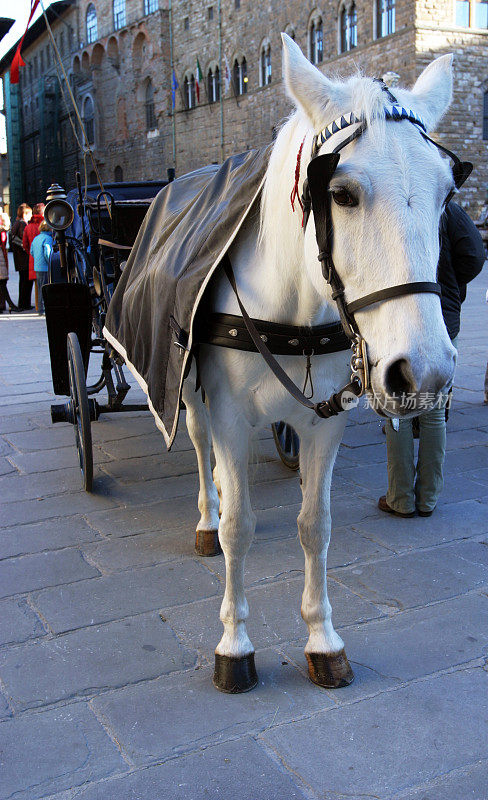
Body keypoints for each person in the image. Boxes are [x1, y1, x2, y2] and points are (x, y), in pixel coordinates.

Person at [379, 201, 486, 517]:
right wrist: (449, 283)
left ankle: (400, 498)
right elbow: (474, 256)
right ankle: (427, 498)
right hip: (441, 314)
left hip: (397, 318)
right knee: (434, 410)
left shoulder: (387, 205)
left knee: (397, 411)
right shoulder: (443, 206)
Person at [10, 203, 33, 310]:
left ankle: (24, 303)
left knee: (24, 282)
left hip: (20, 259)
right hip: (23, 259)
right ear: (25, 214)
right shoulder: (22, 224)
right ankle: (24, 304)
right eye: (29, 214)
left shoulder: (17, 223)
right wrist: (26, 248)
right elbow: (20, 240)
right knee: (25, 282)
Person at [22, 202, 45, 309]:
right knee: (45, 282)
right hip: (44, 258)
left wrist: (31, 253)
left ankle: (37, 305)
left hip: (33, 258)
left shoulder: (29, 226)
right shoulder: (45, 224)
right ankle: (42, 306)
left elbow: (25, 244)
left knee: (37, 283)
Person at [30, 220, 53, 315]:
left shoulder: (36, 238)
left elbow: (31, 251)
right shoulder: (48, 238)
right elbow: (47, 252)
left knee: (40, 288)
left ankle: (40, 308)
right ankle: (44, 308)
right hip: (45, 266)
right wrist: (50, 262)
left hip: (37, 266)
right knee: (45, 288)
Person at [0, 212, 18, 313]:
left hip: (3, 256)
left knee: (2, 282)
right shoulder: (2, 231)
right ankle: (10, 304)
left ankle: (5, 304)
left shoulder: (3, 231)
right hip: (1, 257)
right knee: (2, 282)